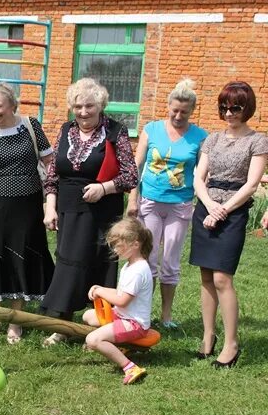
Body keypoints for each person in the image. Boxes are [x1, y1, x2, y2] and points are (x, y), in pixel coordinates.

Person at [41, 78, 138, 346]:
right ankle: (62, 325)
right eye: (78, 106)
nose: (83, 112)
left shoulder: (116, 131)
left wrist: (104, 188)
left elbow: (131, 175)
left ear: (101, 105)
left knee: (99, 266)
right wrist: (50, 206)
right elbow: (52, 174)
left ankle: (99, 328)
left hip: (102, 212)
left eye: (89, 106)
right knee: (68, 264)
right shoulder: (65, 129)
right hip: (68, 210)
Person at [189, 81, 268, 368]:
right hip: (205, 208)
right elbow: (199, 177)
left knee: (223, 279)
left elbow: (250, 185)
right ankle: (208, 337)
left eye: (235, 107)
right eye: (224, 107)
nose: (229, 112)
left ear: (247, 108)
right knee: (206, 278)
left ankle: (231, 344)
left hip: (233, 213)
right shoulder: (211, 139)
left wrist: (221, 210)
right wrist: (209, 205)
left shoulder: (258, 141)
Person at [0, 82, 54, 344]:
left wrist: (51, 200)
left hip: (28, 205)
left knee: (22, 258)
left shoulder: (30, 125)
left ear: (12, 105)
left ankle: (16, 321)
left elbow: (50, 162)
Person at [126, 79, 207, 328]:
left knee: (170, 262)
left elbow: (203, 172)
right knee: (147, 260)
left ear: (192, 111)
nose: (178, 115)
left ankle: (167, 316)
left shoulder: (201, 136)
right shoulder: (152, 129)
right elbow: (136, 166)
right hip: (149, 202)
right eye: (175, 110)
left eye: (184, 111)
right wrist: (132, 197)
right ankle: (142, 314)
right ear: (168, 106)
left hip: (179, 206)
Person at [83, 217, 153, 385]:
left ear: (135, 244)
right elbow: (122, 293)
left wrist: (100, 291)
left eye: (118, 245)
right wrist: (100, 288)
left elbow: (122, 300)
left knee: (92, 340)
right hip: (123, 316)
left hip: (134, 323)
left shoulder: (138, 271)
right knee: (88, 316)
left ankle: (130, 367)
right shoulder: (130, 265)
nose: (115, 249)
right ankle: (121, 344)